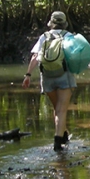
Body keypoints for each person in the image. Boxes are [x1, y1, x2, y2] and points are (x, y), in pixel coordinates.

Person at [22, 11, 76, 151]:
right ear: (64, 23)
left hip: (47, 77)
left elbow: (35, 57)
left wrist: (28, 75)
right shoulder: (68, 36)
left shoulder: (44, 37)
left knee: (57, 109)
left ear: (51, 23)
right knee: (61, 110)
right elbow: (77, 57)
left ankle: (63, 134)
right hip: (64, 76)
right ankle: (58, 141)